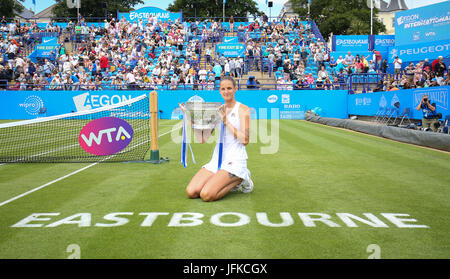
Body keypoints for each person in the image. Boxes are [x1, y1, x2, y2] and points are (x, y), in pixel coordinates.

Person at [185, 76, 254, 202]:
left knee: (206, 195)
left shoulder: (243, 109)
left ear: (235, 89)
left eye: (229, 88)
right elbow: (202, 138)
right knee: (191, 192)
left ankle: (241, 178)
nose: (226, 91)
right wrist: (192, 119)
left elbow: (245, 140)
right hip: (217, 160)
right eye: (223, 89)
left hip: (235, 160)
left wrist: (225, 121)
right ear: (220, 91)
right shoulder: (217, 110)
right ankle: (225, 179)